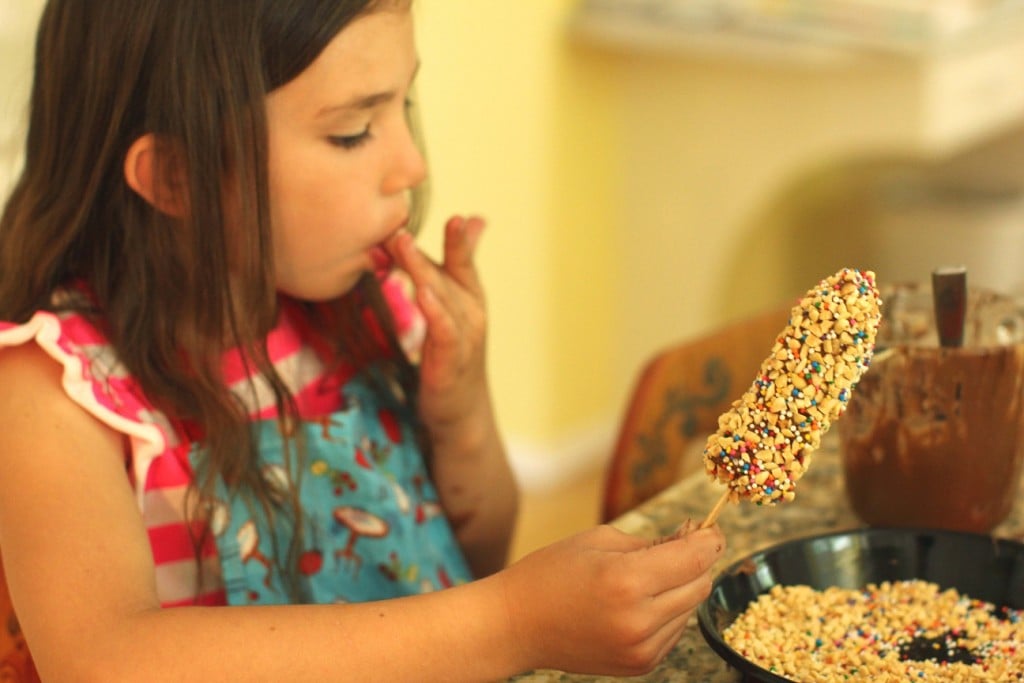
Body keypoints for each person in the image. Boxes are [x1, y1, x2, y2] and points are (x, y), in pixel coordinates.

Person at [0, 1, 726, 680]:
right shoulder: (54, 387)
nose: (411, 165)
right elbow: (105, 661)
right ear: (177, 176)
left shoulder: (362, 307)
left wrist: (459, 409)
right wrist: (511, 618)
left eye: (402, 105)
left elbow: (473, 549)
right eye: (352, 130)